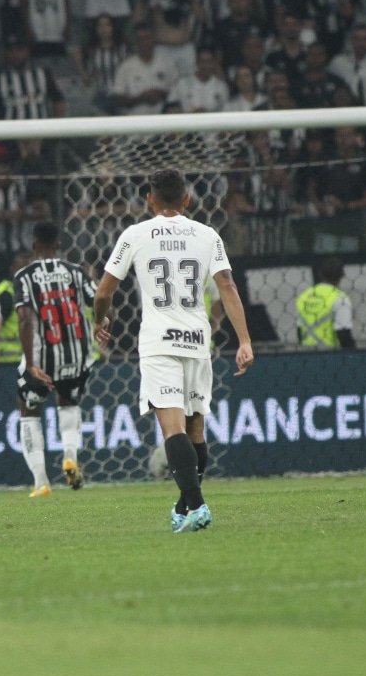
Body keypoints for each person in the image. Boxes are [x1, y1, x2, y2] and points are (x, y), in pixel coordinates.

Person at [93, 168, 254, 534]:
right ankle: (184, 507)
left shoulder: (134, 234)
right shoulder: (207, 234)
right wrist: (244, 340)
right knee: (195, 430)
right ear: (187, 199)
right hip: (198, 341)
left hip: (159, 342)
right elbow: (226, 285)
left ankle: (197, 506)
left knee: (172, 429)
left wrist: (99, 321)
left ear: (149, 199)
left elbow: (104, 293)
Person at [13, 222, 96, 497]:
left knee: (29, 410)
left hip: (42, 358)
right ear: (59, 244)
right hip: (77, 355)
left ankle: (41, 482)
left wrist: (30, 363)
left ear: (34, 244)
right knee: (69, 402)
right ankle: (70, 456)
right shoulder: (76, 272)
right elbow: (99, 299)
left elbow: (24, 319)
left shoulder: (25, 276)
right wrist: (103, 325)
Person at [295, 258, 355, 348]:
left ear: (320, 274)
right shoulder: (340, 298)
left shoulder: (304, 296)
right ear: (342, 275)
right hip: (329, 356)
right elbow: (344, 335)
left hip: (305, 355)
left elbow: (299, 330)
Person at [0, 251, 33, 364]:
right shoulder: (7, 295)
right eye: (22, 269)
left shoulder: (33, 292)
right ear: (13, 269)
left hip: (29, 360)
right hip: (8, 362)